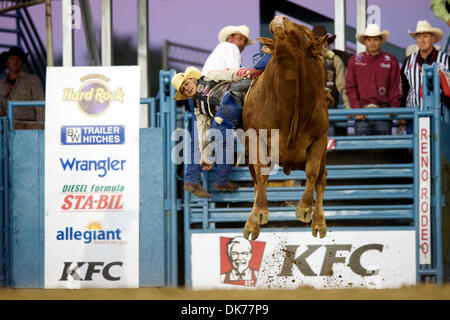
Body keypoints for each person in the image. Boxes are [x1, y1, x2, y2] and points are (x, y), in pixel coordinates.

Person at [183, 25, 256, 198]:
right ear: (230, 38)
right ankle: (221, 180)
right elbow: (233, 73)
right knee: (225, 136)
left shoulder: (218, 51)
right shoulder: (230, 48)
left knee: (199, 139)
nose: (242, 44)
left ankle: (191, 179)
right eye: (241, 39)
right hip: (217, 94)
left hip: (202, 94)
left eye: (244, 41)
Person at [172, 66, 262, 191]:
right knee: (222, 137)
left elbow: (227, 74)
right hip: (233, 122)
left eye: (186, 84)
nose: (187, 88)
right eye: (183, 89)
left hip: (239, 107)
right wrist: (204, 155)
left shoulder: (210, 76)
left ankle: (221, 180)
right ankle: (222, 180)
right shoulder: (199, 107)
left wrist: (244, 73)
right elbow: (201, 131)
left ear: (193, 79)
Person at [345, 24, 403, 136]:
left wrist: (393, 108)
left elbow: (395, 87)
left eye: (375, 39)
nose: (372, 43)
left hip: (383, 112)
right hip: (362, 112)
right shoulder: (354, 61)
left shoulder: (391, 61)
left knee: (383, 149)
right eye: (369, 39)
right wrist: (356, 109)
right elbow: (350, 87)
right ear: (365, 41)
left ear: (380, 41)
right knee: (362, 150)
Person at [401, 20, 449, 134]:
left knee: (438, 150)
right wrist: (402, 114)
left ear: (433, 39)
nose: (422, 40)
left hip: (440, 117)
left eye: (425, 36)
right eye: (418, 37)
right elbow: (404, 90)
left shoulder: (446, 60)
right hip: (414, 116)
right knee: (414, 149)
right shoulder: (408, 61)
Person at [312, 25, 350, 136]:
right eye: (316, 40)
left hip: (329, 108)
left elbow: (342, 86)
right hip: (309, 110)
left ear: (327, 42)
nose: (319, 43)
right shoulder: (304, 60)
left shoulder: (335, 60)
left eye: (322, 41)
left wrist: (348, 106)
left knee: (329, 137)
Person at [0, 46, 44, 129]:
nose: (15, 62)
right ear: (7, 62)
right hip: (8, 128)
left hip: (29, 125)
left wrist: (41, 127)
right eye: (12, 59)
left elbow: (40, 107)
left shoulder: (33, 80)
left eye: (18, 59)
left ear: (22, 62)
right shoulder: (1, 84)